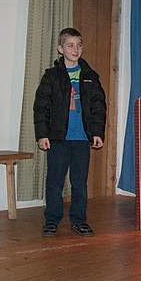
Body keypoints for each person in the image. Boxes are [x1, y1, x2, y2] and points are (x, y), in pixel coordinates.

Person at [33, 27, 106, 237]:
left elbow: (99, 107)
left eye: (79, 45)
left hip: (82, 139)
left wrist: (97, 132)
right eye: (70, 45)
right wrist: (42, 134)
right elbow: (41, 107)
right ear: (60, 49)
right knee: (55, 181)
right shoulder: (51, 76)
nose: (75, 49)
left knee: (79, 182)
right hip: (58, 139)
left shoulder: (90, 76)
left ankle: (79, 220)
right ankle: (52, 220)